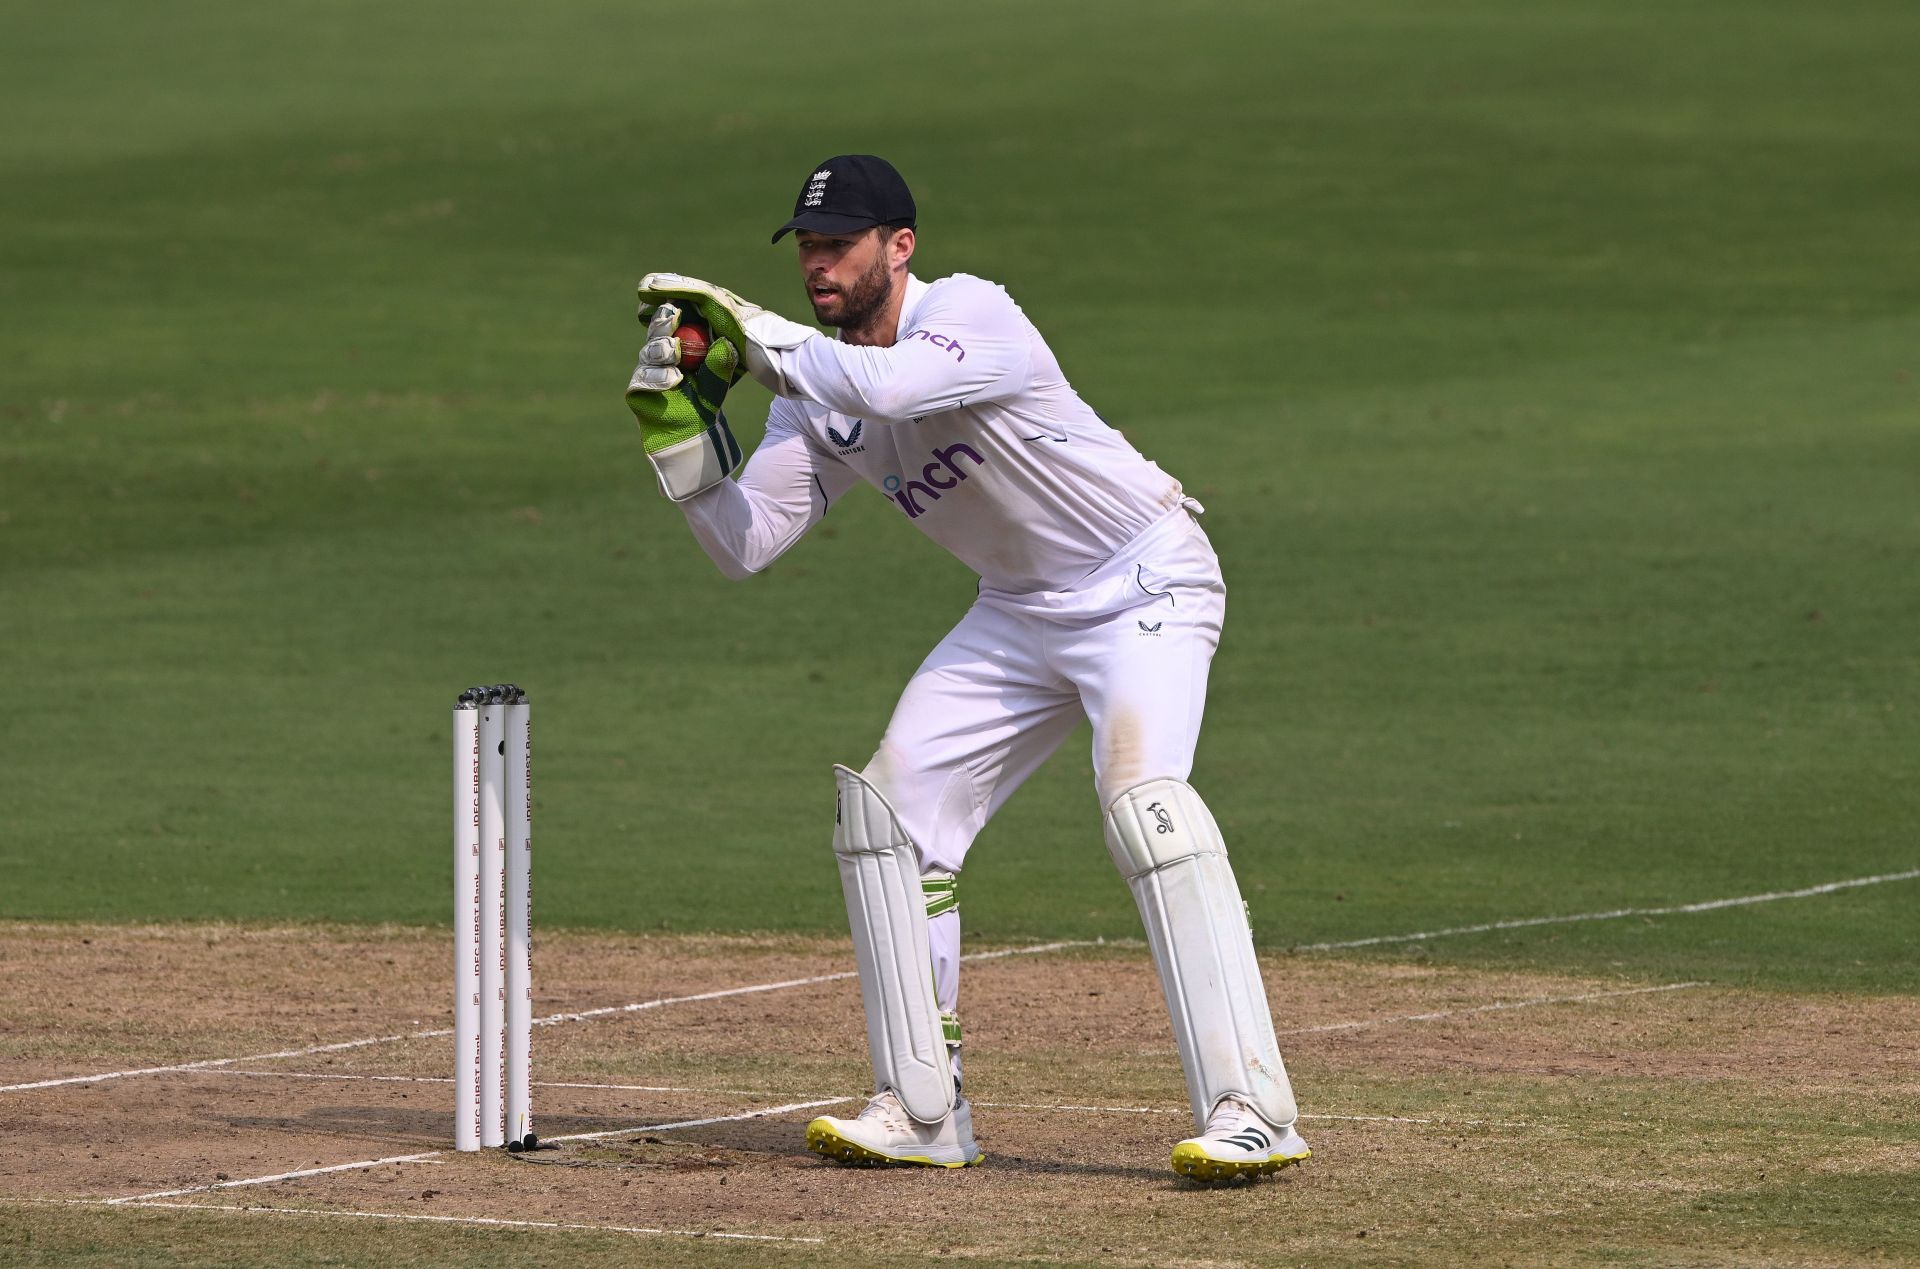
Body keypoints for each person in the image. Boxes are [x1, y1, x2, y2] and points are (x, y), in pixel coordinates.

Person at [624, 155, 1308, 1183]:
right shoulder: (815, 391)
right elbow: (747, 541)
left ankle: (1254, 1110)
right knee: (890, 826)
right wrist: (676, 441)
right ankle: (925, 1109)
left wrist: (756, 337)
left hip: (1143, 583)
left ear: (899, 247)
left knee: (1145, 808)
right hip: (1019, 614)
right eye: (808, 246)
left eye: (840, 245)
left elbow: (888, 384)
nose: (820, 265)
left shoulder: (971, 316)